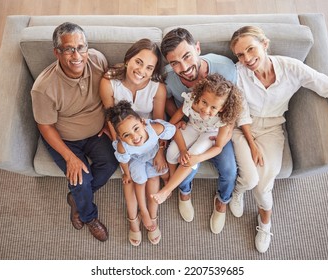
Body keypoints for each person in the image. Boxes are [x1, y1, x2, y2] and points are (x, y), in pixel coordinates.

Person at [229, 25, 328, 253]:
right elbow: (241, 113)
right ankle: (238, 191)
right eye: (240, 54)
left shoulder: (292, 68)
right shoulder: (237, 73)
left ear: (265, 44)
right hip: (243, 128)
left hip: (272, 127)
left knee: (262, 186)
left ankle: (265, 224)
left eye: (251, 49)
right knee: (249, 180)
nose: (247, 58)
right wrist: (252, 144)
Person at [31, 22, 118, 242]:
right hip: (64, 138)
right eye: (69, 49)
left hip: (96, 133)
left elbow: (111, 90)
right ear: (57, 52)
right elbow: (45, 126)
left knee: (110, 164)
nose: (77, 55)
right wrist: (69, 158)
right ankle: (88, 216)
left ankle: (76, 198)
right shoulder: (44, 87)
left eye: (81, 47)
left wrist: (109, 125)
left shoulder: (97, 60)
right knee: (81, 179)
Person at [160, 27, 238, 233]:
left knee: (230, 171)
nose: (184, 67)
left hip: (217, 130)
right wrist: (180, 118)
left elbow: (233, 106)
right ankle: (183, 192)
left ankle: (222, 201)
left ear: (197, 48)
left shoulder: (226, 68)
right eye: (175, 63)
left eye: (187, 56)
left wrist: (226, 130)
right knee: (183, 164)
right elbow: (167, 100)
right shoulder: (169, 78)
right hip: (191, 124)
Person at [152, 73, 243, 234]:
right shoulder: (191, 102)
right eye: (204, 102)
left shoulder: (223, 119)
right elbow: (175, 120)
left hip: (211, 134)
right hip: (193, 127)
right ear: (199, 97)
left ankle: (167, 190)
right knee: (170, 154)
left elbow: (219, 147)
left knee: (192, 157)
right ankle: (176, 184)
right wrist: (177, 139)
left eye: (213, 107)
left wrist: (198, 158)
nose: (206, 110)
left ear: (221, 108)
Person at [99, 38, 167, 246]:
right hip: (124, 139)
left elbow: (159, 122)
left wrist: (160, 151)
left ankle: (152, 216)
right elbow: (111, 121)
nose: (141, 71)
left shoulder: (158, 89)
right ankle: (133, 220)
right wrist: (122, 150)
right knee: (129, 181)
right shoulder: (109, 82)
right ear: (128, 59)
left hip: (148, 140)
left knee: (152, 177)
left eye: (149, 67)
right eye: (138, 62)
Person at [105, 100, 176, 245]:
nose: (135, 138)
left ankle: (153, 215)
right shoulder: (123, 146)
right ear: (120, 138)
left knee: (155, 176)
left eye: (136, 129)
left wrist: (160, 151)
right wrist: (126, 173)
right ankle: (143, 211)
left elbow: (169, 132)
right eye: (126, 135)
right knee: (139, 179)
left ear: (143, 123)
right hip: (136, 160)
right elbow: (124, 160)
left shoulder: (154, 128)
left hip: (153, 154)